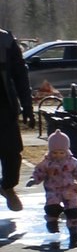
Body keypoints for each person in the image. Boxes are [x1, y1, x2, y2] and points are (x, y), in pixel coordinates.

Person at [29, 129, 77, 248]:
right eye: (55, 152)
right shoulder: (47, 163)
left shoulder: (72, 162)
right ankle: (52, 223)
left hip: (70, 190)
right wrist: (34, 179)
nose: (58, 155)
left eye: (61, 152)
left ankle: (74, 231)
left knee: (73, 211)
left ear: (66, 151)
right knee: (52, 207)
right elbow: (39, 172)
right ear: (50, 151)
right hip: (53, 189)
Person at [0, 30, 22, 210]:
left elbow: (20, 74)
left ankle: (8, 186)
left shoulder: (5, 40)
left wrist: (28, 107)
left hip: (5, 108)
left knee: (12, 153)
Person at [3, 27, 29, 128]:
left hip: (6, 111)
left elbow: (21, 77)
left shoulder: (6, 41)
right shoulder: (6, 40)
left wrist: (26, 106)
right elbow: (21, 76)